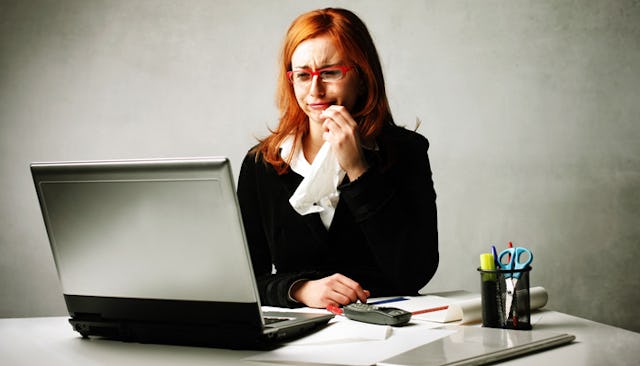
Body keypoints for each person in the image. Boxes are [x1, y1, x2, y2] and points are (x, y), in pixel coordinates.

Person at [237, 7, 438, 309]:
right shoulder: (262, 163)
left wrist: (358, 169)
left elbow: (415, 272)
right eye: (303, 75)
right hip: (302, 337)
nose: (315, 90)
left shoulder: (405, 151)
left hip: (389, 327)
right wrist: (300, 289)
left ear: (362, 75)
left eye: (330, 73)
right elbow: (245, 280)